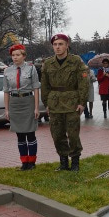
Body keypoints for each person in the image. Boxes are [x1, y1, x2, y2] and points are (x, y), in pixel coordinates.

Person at [40, 33, 88, 172]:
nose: (58, 47)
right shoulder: (48, 63)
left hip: (72, 102)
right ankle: (63, 162)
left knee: (73, 135)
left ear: (67, 45)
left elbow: (83, 83)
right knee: (57, 135)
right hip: (55, 103)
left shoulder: (76, 61)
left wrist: (82, 102)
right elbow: (45, 85)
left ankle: (75, 162)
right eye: (55, 45)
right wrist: (47, 103)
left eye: (60, 44)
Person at [3, 44, 40, 171]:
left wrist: (36, 108)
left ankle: (32, 162)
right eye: (13, 55)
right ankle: (24, 162)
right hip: (15, 103)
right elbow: (6, 91)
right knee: (20, 135)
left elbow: (36, 88)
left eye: (18, 55)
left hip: (28, 101)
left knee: (30, 134)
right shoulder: (7, 71)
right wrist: (6, 109)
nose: (15, 57)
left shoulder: (31, 69)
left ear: (24, 56)